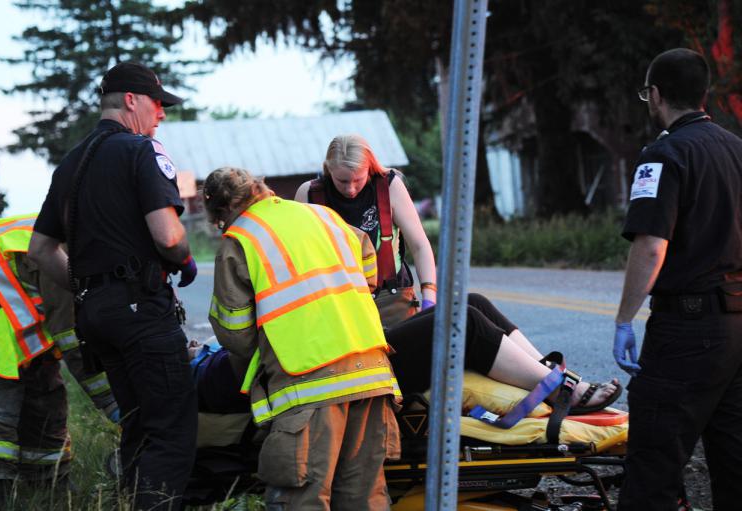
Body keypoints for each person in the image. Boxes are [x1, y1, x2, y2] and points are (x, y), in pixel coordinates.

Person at [28, 61, 198, 510]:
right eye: (158, 104)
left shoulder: (70, 164)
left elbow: (41, 250)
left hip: (97, 318)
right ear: (131, 101)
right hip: (142, 312)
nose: (162, 114)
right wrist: (183, 257)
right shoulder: (143, 151)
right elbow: (168, 235)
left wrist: (89, 287)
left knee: (139, 424)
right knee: (171, 429)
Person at [204, 166, 401, 510]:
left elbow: (235, 335)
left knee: (303, 498)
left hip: (309, 388)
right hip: (372, 375)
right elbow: (369, 263)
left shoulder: (240, 241)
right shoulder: (324, 216)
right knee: (364, 496)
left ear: (222, 211)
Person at [613, 48, 742, 510]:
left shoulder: (662, 155)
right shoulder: (736, 149)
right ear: (704, 95)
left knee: (653, 467)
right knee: (733, 463)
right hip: (736, 326)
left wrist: (625, 319)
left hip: (686, 333)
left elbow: (650, 246)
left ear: (656, 95)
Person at [192, 293, 621, 416]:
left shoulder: (210, 354)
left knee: (471, 301)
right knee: (463, 323)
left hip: (349, 351)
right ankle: (560, 390)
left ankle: (553, 374)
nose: (192, 343)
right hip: (348, 374)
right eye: (188, 347)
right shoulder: (210, 374)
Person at [0, 214, 117, 508]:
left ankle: (49, 486)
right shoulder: (63, 257)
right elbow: (75, 339)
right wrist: (115, 406)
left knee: (45, 385)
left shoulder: (83, 238)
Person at [295, 134, 436, 327]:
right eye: (342, 181)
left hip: (391, 300)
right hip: (336, 304)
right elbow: (299, 257)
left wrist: (429, 297)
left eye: (358, 179)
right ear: (328, 169)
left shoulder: (390, 186)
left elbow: (419, 245)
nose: (351, 189)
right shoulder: (309, 194)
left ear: (370, 166)